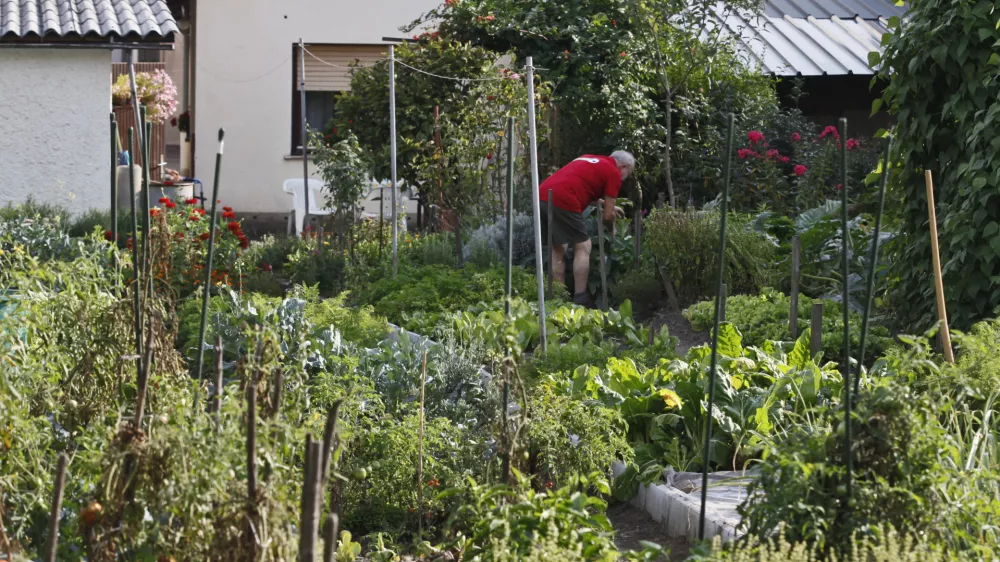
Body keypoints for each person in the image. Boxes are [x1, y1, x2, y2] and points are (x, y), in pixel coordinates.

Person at [539, 151, 635, 306]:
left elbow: (583, 187)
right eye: (628, 172)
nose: (626, 176)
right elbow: (607, 216)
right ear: (623, 166)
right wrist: (612, 228)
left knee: (558, 248)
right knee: (583, 245)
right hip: (564, 199)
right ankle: (580, 298)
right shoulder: (614, 173)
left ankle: (557, 298)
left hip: (543, 196)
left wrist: (604, 204)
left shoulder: (588, 158)